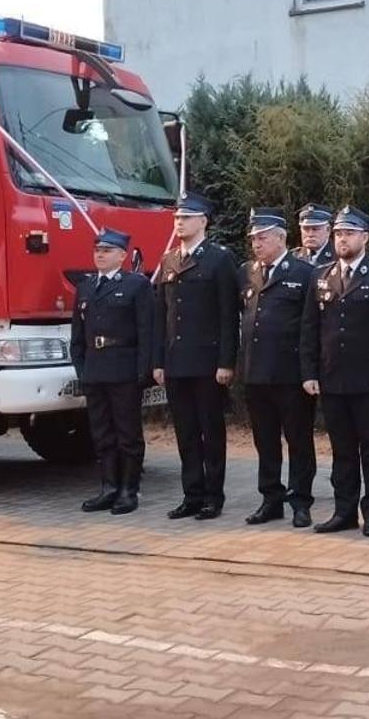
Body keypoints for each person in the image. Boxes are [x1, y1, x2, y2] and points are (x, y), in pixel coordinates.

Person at [301, 206, 369, 537]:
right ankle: (344, 511)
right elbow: (310, 329)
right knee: (342, 451)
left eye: (349, 233)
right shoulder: (322, 275)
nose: (342, 239)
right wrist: (309, 371)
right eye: (338, 234)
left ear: (365, 237)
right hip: (332, 379)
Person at [154, 191, 241, 520]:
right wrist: (159, 361)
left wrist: (226, 362)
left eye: (186, 218)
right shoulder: (168, 260)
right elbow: (162, 315)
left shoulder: (219, 259)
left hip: (207, 363)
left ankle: (212, 497)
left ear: (203, 221)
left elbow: (228, 315)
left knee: (211, 431)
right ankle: (191, 494)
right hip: (177, 362)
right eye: (177, 218)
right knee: (186, 432)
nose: (179, 223)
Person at [238, 208, 320, 528]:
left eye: (262, 238)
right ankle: (271, 499)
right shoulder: (248, 272)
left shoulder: (304, 272)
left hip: (290, 374)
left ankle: (300, 501)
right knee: (265, 440)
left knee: (299, 441)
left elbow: (311, 326)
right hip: (256, 372)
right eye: (253, 239)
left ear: (281, 238)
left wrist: (309, 371)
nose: (256, 244)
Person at [70, 229, 154, 516]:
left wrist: (142, 372)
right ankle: (108, 487)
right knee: (102, 433)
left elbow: (146, 331)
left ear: (122, 255)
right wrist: (82, 369)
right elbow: (77, 336)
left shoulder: (136, 285)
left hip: (124, 369)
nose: (100, 255)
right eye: (97, 250)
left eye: (107, 251)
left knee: (127, 434)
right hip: (95, 370)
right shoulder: (85, 287)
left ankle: (129, 490)